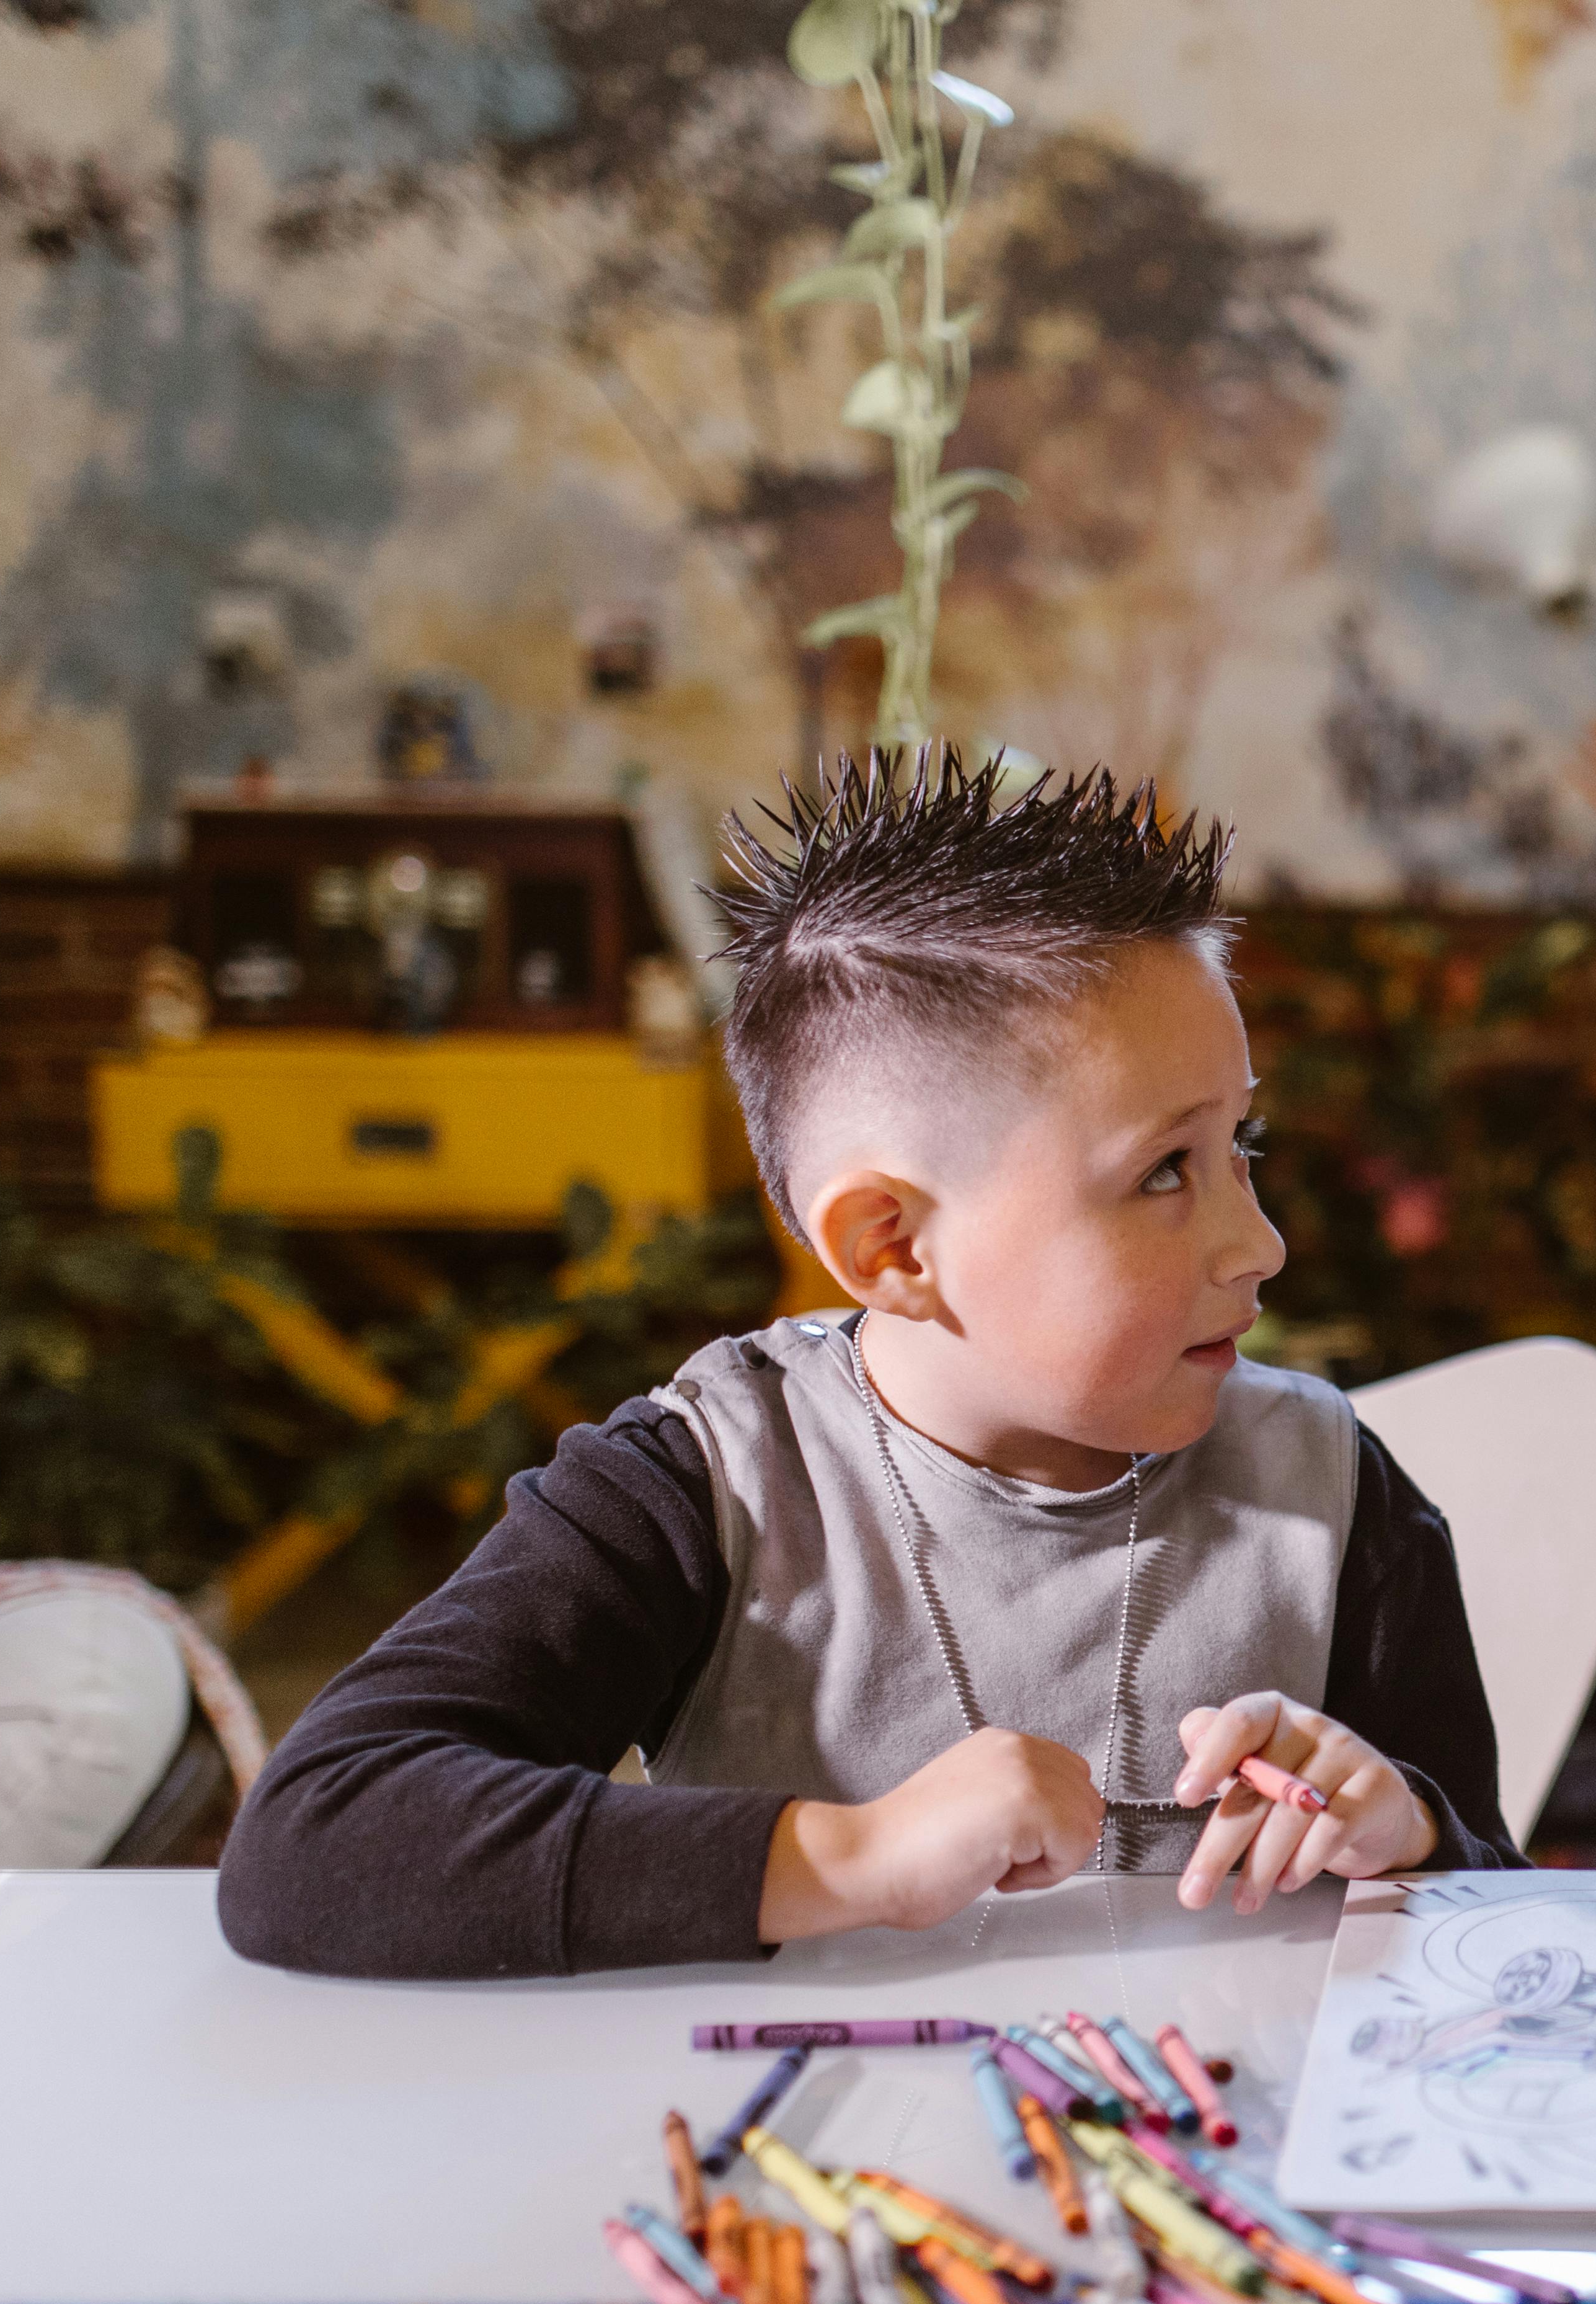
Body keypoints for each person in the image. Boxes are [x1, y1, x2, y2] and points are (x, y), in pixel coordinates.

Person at [219, 760, 1518, 1978]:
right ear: (892, 1246)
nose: (1261, 1242)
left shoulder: (1335, 1494)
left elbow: (1500, 1916)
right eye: (1164, 1170)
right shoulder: (705, 1485)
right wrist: (851, 1855)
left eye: (1243, 1145)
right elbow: (318, 1835)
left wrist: (1408, 1833)